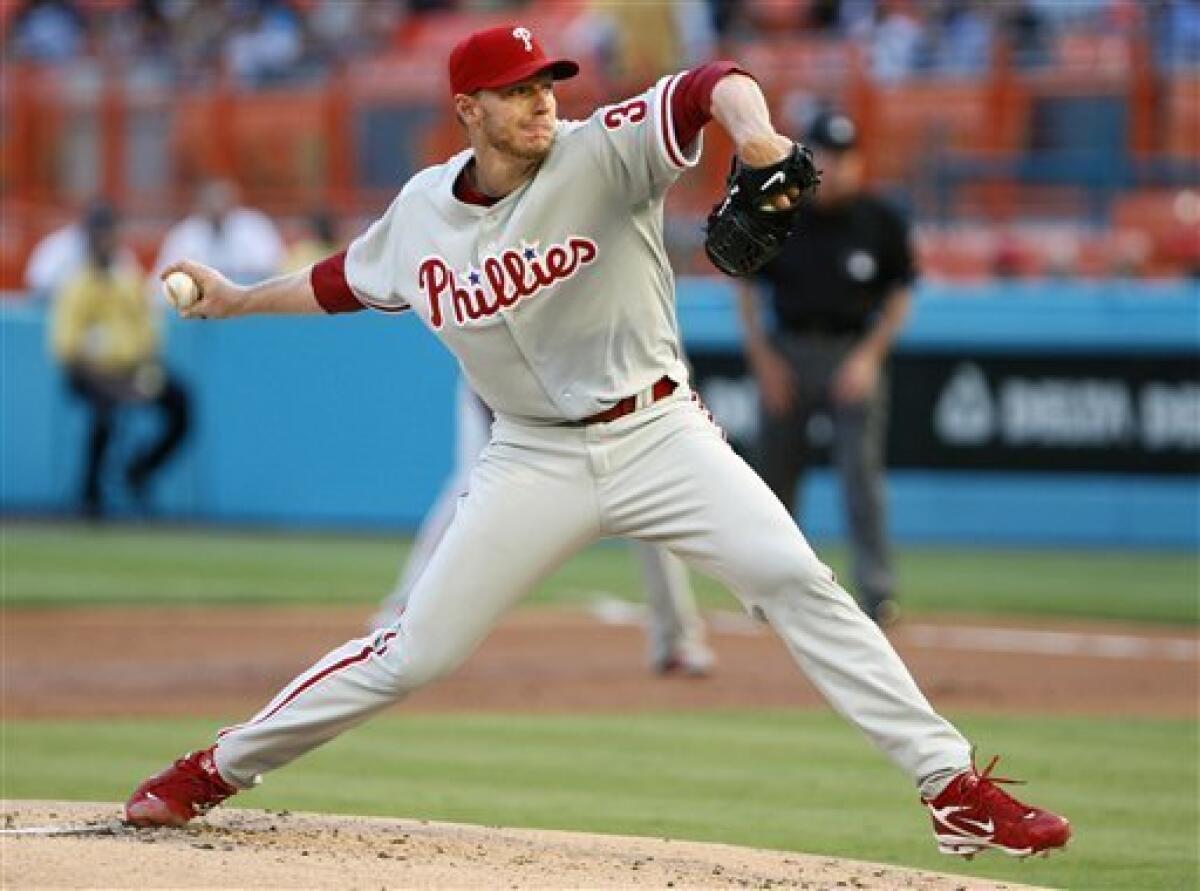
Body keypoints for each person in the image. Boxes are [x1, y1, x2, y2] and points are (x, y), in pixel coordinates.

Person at [124, 25, 1070, 860]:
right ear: (469, 110)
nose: (543, 102)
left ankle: (951, 787)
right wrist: (240, 298)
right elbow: (341, 280)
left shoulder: (602, 152)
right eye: (520, 90)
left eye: (548, 85)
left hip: (661, 434)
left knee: (796, 580)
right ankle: (215, 766)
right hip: (531, 458)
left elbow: (713, 82)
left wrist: (758, 137)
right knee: (414, 651)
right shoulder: (420, 213)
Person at [370, 376, 715, 677]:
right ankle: (403, 610)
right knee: (471, 484)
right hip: (506, 382)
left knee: (644, 487)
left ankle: (675, 639)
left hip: (600, 386)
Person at [735, 110, 912, 627]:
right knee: (774, 483)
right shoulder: (782, 212)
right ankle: (768, 592)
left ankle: (878, 593)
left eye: (843, 156)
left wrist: (869, 357)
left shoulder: (881, 219)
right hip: (787, 351)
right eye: (824, 156)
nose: (834, 167)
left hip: (850, 352)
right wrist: (764, 361)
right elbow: (745, 287)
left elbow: (900, 294)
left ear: (858, 162)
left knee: (862, 478)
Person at [48, 202, 191, 518]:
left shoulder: (128, 279)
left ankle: (140, 470)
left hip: (132, 373)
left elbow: (148, 337)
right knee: (104, 413)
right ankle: (89, 496)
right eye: (99, 236)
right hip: (90, 377)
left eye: (109, 235)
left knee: (181, 401)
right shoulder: (75, 285)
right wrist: (113, 386)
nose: (105, 242)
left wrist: (144, 374)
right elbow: (67, 352)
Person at [154, 177, 285, 285]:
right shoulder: (184, 234)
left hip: (250, 302)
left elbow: (276, 269)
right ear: (201, 204)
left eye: (222, 200)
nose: (217, 206)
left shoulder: (255, 226)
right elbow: (162, 278)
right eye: (211, 201)